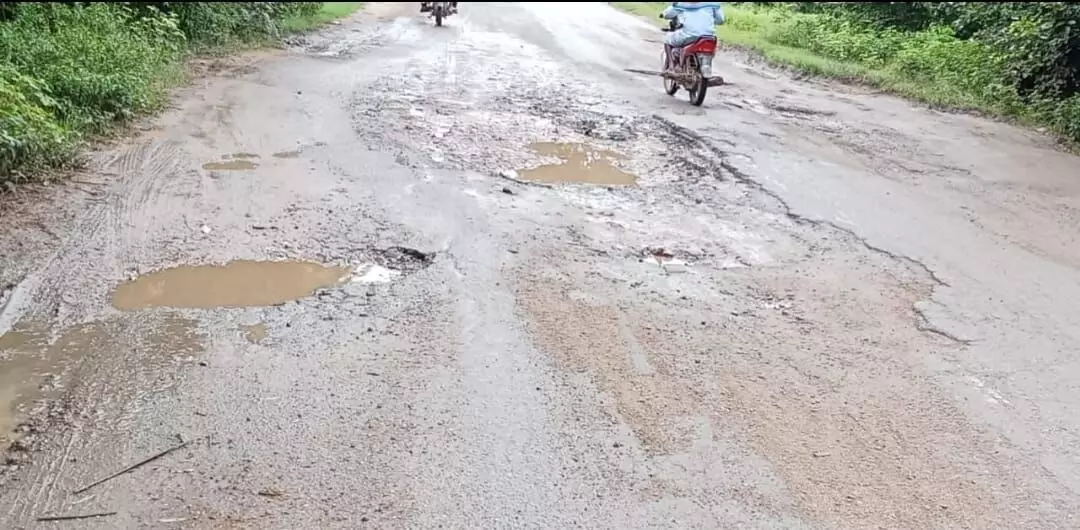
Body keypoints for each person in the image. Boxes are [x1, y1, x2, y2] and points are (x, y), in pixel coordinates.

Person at [660, 2, 725, 74]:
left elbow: (668, 14)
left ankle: (671, 67)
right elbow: (720, 20)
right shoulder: (713, 3)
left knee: (667, 39)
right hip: (708, 37)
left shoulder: (683, 4)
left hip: (689, 35)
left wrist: (664, 13)